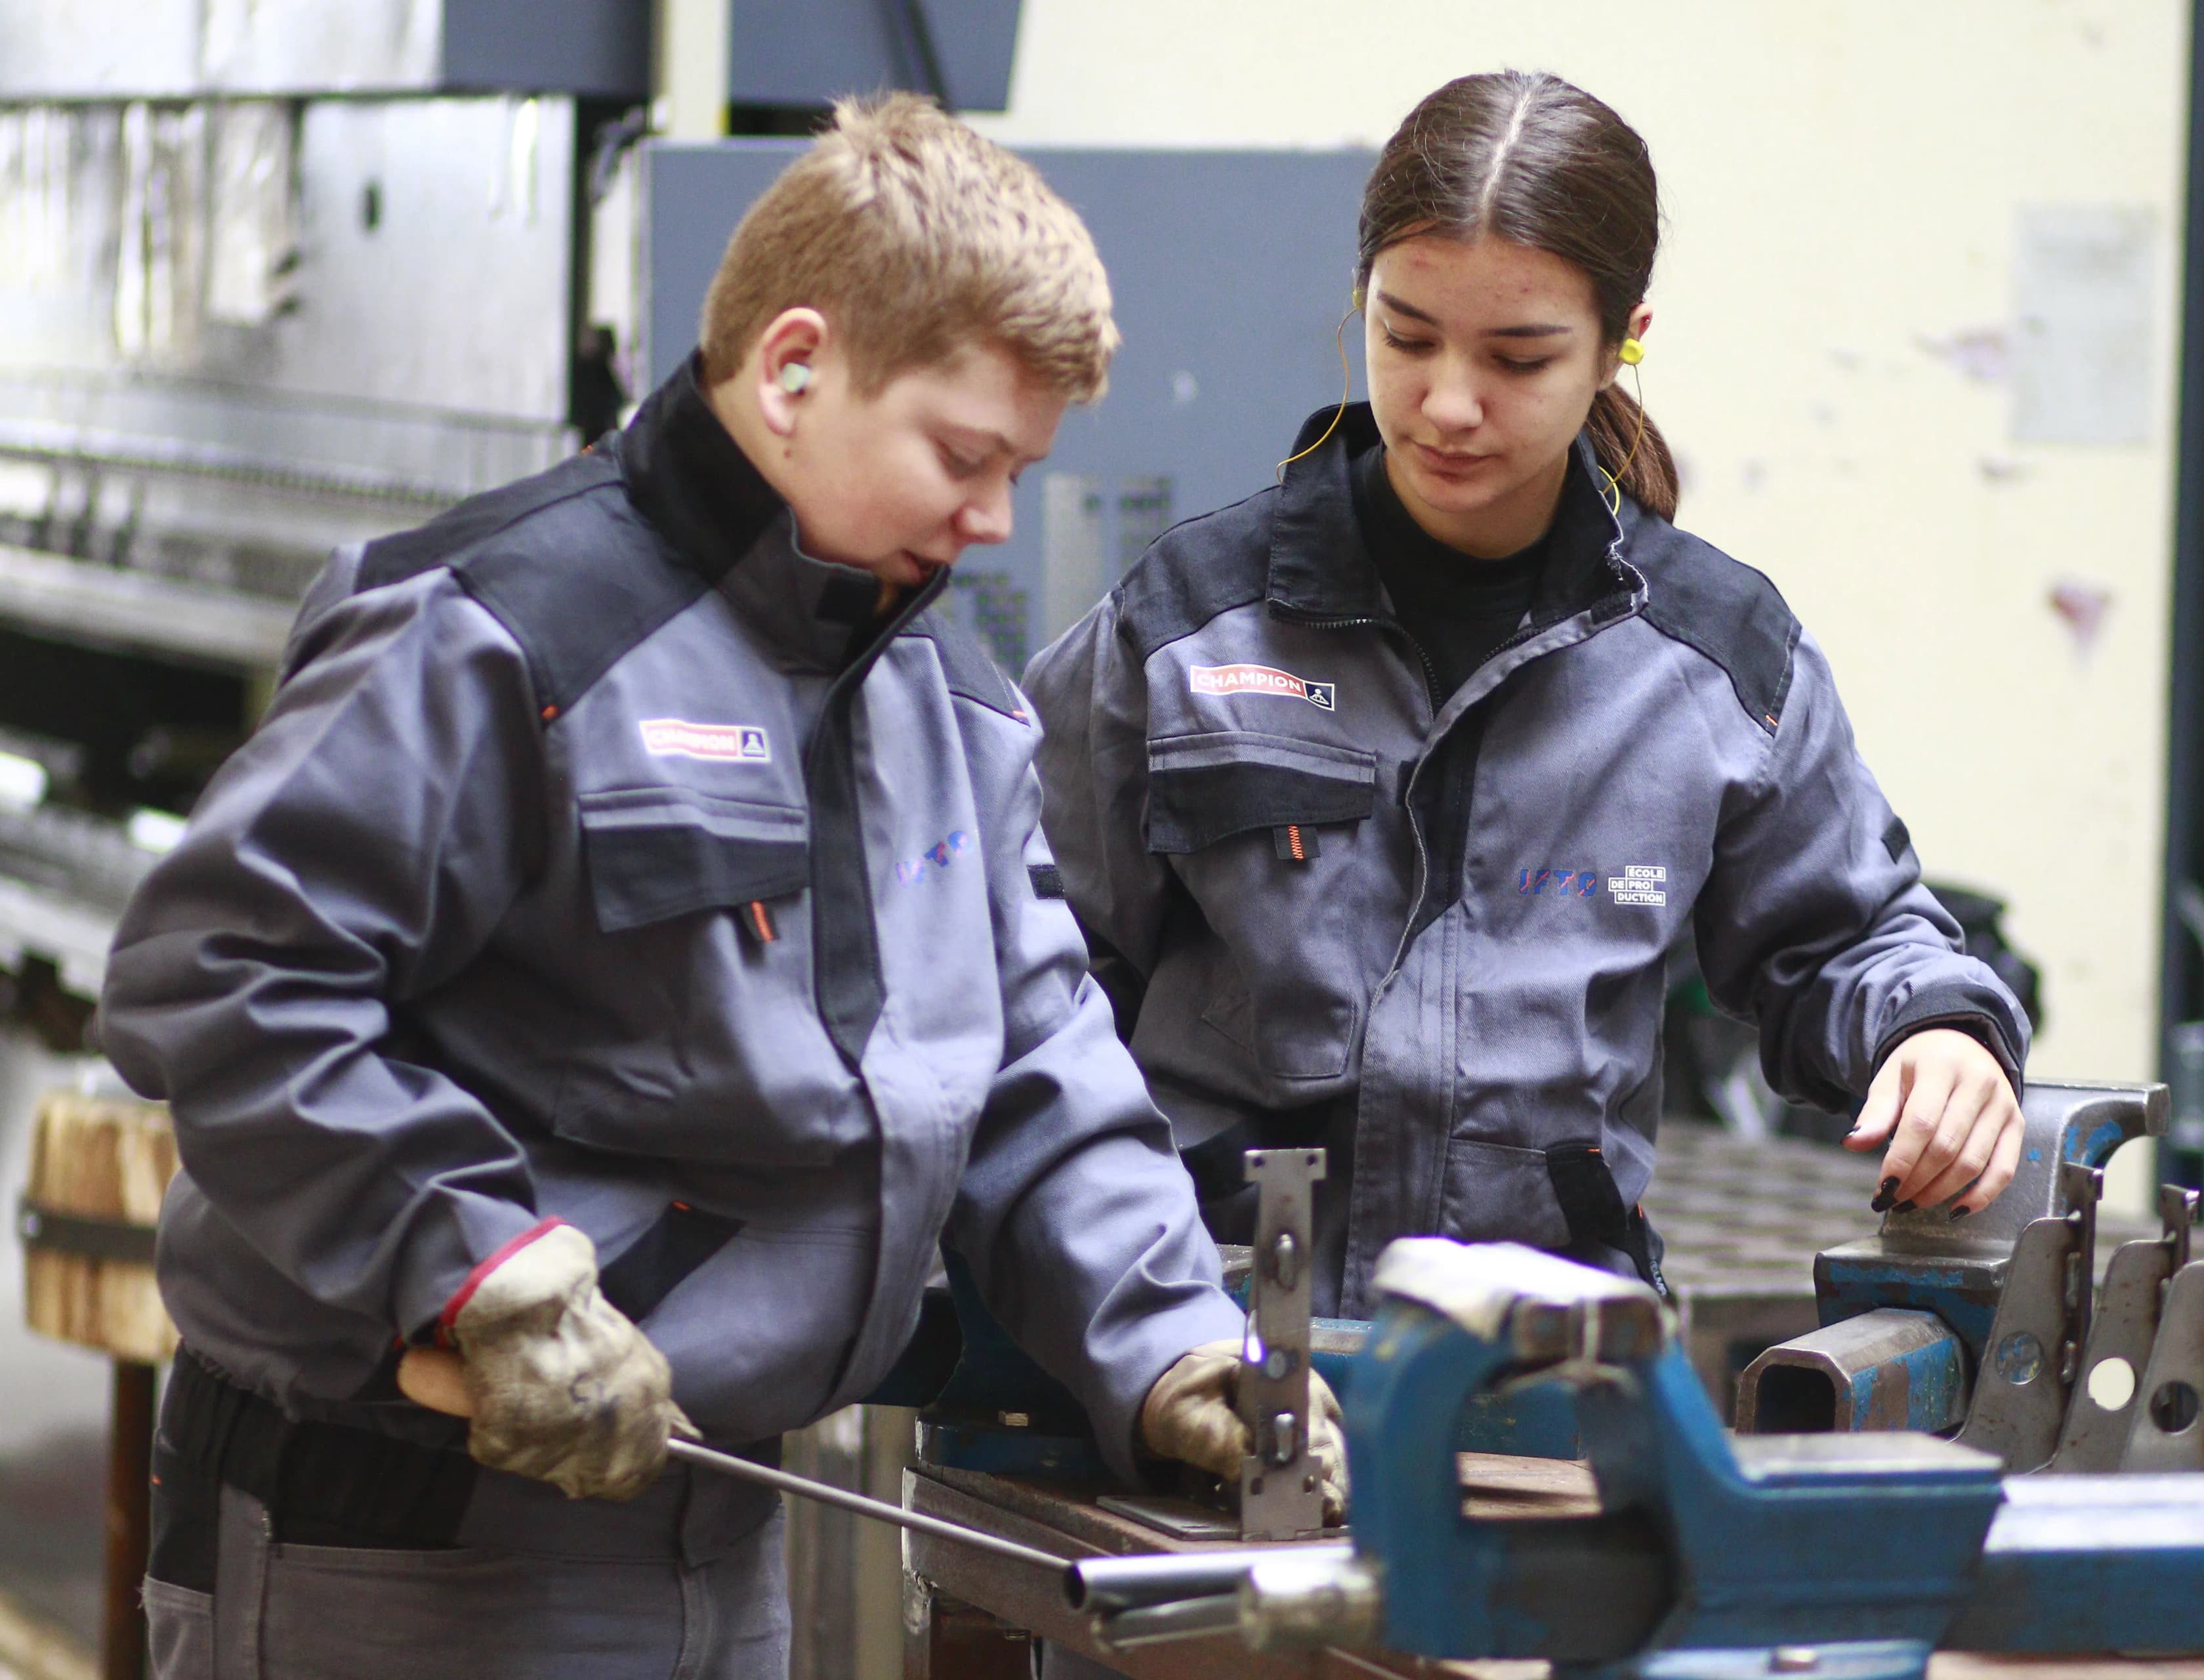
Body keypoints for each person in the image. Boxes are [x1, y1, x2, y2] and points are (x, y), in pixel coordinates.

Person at [98, 94, 1336, 1679]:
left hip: (718, 1525)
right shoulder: (502, 633)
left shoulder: (952, 717)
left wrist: (1171, 1344)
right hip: (403, 1538)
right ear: (795, 367)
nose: (993, 522)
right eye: (963, 457)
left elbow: (1040, 1074)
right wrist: (472, 1265)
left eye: (1020, 471)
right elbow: (223, 976)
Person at [1024, 71, 2033, 1319]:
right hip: (1210, 1341)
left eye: (1519, 357)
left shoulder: (1712, 664)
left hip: (1546, 1364)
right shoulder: (1187, 629)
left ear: (1620, 343)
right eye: (1406, 338)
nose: (1449, 403)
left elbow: (1847, 938)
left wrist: (1936, 1031)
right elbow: (1030, 963)